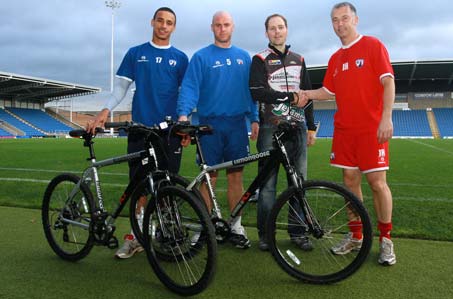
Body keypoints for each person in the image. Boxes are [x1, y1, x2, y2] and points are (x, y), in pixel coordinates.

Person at [87, 7, 189, 259]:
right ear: (152, 22)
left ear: (174, 27)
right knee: (139, 187)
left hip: (169, 133)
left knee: (166, 186)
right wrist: (104, 111)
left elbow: (186, 95)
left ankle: (162, 234)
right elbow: (120, 89)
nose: (164, 26)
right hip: (140, 130)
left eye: (170, 23)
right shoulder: (136, 53)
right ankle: (135, 237)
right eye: (161, 21)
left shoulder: (181, 58)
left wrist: (186, 124)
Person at [300, 2, 396, 265]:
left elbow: (388, 82)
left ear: (355, 19)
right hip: (344, 131)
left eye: (344, 18)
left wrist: (386, 117)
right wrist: (307, 94)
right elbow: (328, 93)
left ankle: (386, 240)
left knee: (378, 184)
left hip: (371, 130)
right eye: (334, 20)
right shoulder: (335, 58)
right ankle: (356, 236)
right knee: (350, 185)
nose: (339, 24)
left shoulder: (373, 45)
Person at [177, 11, 259, 249]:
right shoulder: (201, 57)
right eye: (218, 25)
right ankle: (206, 225)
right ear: (212, 28)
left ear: (232, 27)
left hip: (236, 126)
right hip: (208, 127)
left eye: (226, 25)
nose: (222, 29)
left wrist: (254, 118)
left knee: (236, 177)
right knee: (208, 178)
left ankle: (236, 225)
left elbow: (251, 92)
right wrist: (184, 114)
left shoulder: (244, 57)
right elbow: (190, 87)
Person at [249, 14, 317, 251]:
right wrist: (288, 97)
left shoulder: (299, 59)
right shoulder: (259, 59)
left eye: (280, 27)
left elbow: (307, 94)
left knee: (297, 182)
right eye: (272, 28)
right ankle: (266, 235)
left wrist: (310, 126)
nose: (277, 31)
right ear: (266, 33)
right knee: (267, 185)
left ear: (286, 30)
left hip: (297, 128)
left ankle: (297, 232)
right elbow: (257, 92)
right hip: (270, 127)